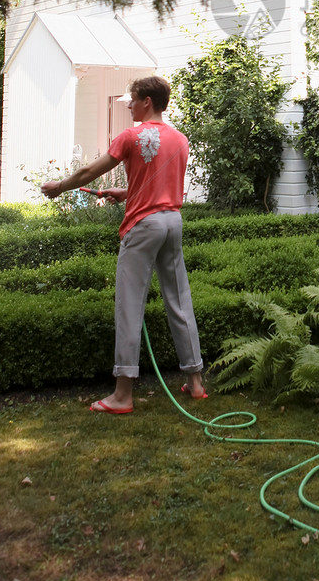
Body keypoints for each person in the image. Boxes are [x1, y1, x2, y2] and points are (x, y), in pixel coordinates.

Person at [41, 75, 207, 413]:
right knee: (180, 301)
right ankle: (196, 383)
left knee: (129, 306)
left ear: (147, 101)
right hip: (172, 222)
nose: (129, 105)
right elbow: (160, 186)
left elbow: (89, 170)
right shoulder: (180, 139)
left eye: (132, 99)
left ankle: (123, 395)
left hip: (144, 227)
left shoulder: (131, 136)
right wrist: (126, 192)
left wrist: (60, 186)